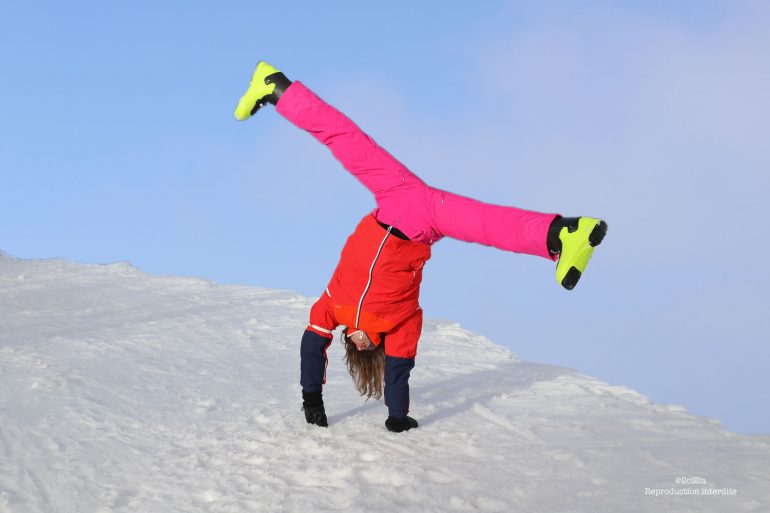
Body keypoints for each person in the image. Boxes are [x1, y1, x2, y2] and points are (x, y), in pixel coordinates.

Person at [234, 61, 607, 433]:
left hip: (394, 198)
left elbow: (311, 347)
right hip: (420, 227)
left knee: (342, 137)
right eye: (366, 347)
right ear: (372, 350)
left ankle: (274, 85)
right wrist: (397, 417)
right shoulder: (400, 324)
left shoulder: (332, 305)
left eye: (355, 342)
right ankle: (564, 233)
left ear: (348, 340)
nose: (361, 340)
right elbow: (399, 369)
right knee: (485, 223)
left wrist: (311, 399)